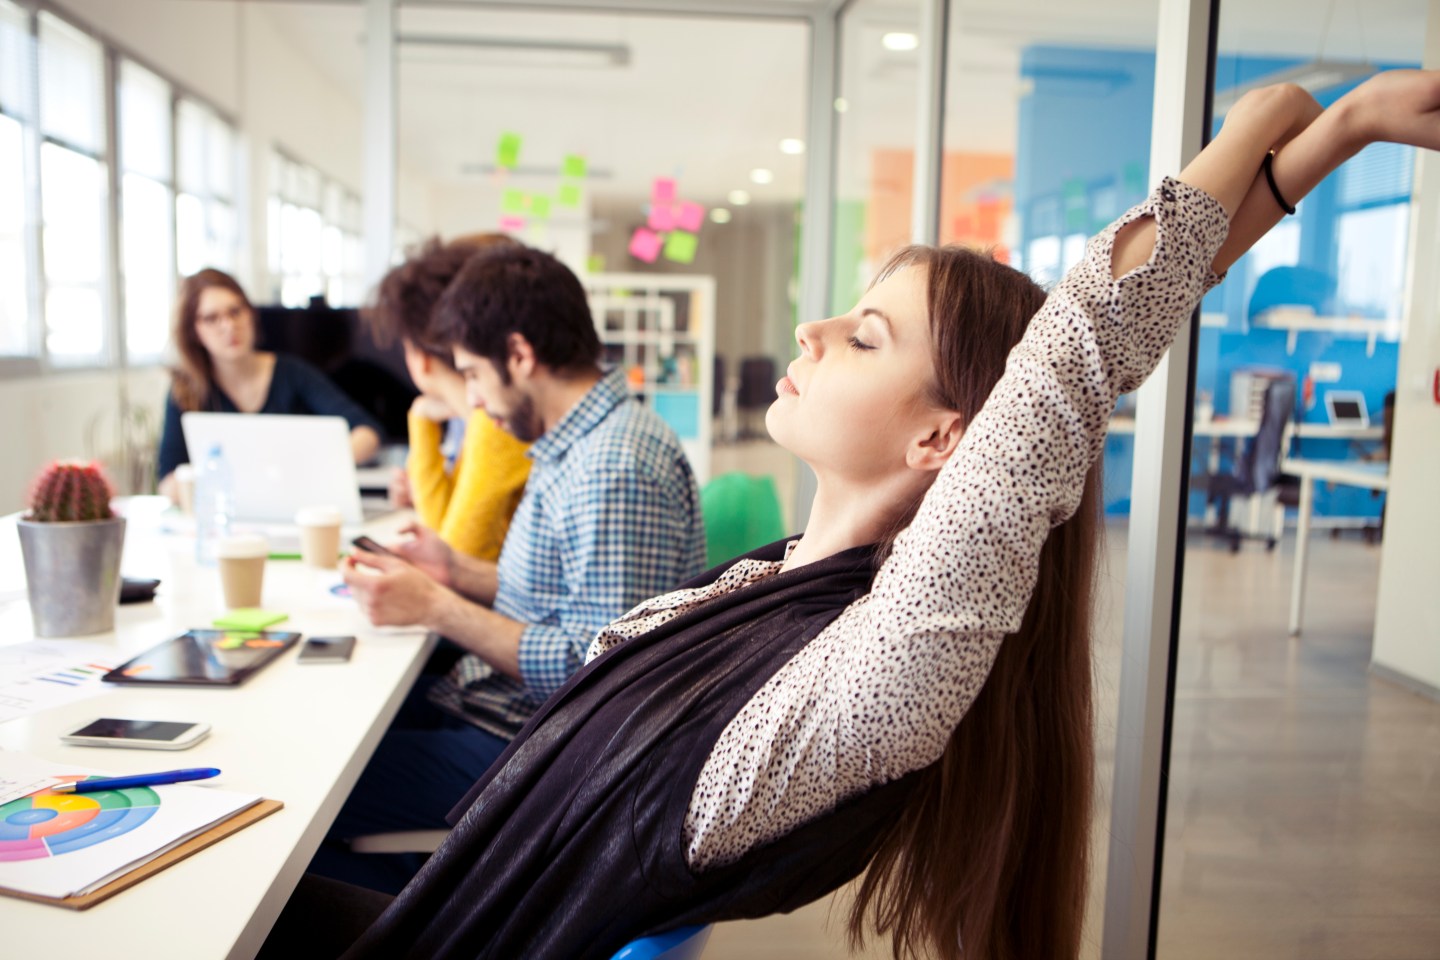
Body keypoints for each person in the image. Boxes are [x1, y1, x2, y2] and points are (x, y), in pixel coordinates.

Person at [263, 70, 1440, 960]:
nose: (814, 331)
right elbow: (1067, 361)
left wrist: (1285, 125)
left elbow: (1069, 361)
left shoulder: (870, 682)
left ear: (945, 441)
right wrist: (1308, 153)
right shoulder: (778, 585)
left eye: (867, 337)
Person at [310, 244, 707, 894]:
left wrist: (436, 606)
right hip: (511, 715)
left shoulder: (612, 467)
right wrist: (453, 569)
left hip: (546, 750)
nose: (470, 398)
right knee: (330, 729)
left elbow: (598, 669)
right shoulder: (572, 442)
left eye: (471, 373)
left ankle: (430, 912)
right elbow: (562, 601)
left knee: (311, 786)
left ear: (519, 355)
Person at [366, 234, 532, 561]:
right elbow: (442, 532)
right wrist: (421, 418)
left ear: (420, 357)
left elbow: (452, 558)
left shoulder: (496, 425)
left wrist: (420, 424)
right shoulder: (476, 420)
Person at [155, 269, 382, 499]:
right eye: (211, 318)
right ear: (194, 331)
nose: (229, 326)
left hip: (296, 503)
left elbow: (368, 433)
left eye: (235, 312)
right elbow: (167, 482)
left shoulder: (293, 373)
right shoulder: (185, 390)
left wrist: (315, 467)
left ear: (251, 314)